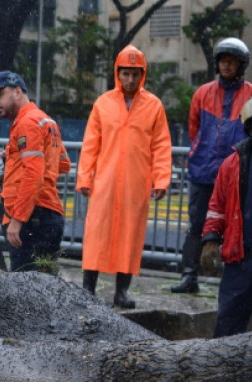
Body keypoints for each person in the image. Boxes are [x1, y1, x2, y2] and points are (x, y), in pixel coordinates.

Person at [76, 45, 172, 309]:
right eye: (125, 74)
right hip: (105, 181)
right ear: (117, 73)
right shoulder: (103, 103)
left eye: (134, 74)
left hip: (135, 182)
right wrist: (84, 177)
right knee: (97, 233)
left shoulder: (154, 106)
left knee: (130, 236)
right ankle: (88, 290)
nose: (129, 80)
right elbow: (90, 144)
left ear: (143, 74)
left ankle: (121, 293)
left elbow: (161, 146)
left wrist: (161, 179)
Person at [171, 38, 252, 294]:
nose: (226, 65)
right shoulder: (202, 93)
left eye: (231, 61)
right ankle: (189, 275)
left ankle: (239, 281)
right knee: (196, 224)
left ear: (241, 65)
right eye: (222, 60)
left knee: (239, 224)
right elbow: (193, 128)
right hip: (203, 171)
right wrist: (201, 152)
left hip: (239, 173)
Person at [0, 70, 71, 272]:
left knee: (24, 291)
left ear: (18, 92)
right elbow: (63, 164)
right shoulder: (46, 121)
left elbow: (33, 173)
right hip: (47, 216)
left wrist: (17, 220)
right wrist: (15, 156)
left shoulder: (27, 123)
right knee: (44, 285)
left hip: (32, 219)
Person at [200, 95, 252, 337]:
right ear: (249, 127)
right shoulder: (233, 163)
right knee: (227, 325)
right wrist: (210, 240)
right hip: (240, 258)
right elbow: (217, 205)